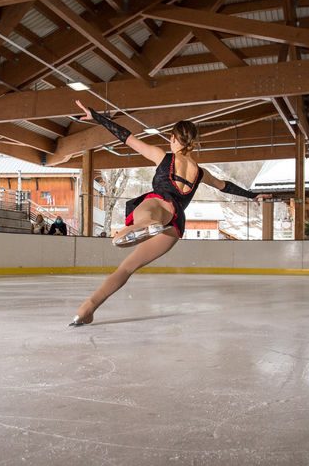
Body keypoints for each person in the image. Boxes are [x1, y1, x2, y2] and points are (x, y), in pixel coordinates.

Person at [69, 99, 265, 327]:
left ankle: (142, 227)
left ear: (173, 138)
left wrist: (97, 117)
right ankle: (89, 308)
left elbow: (126, 136)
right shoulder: (200, 173)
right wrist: (253, 196)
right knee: (129, 266)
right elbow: (225, 185)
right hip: (175, 223)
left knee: (143, 224)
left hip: (160, 203)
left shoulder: (163, 157)